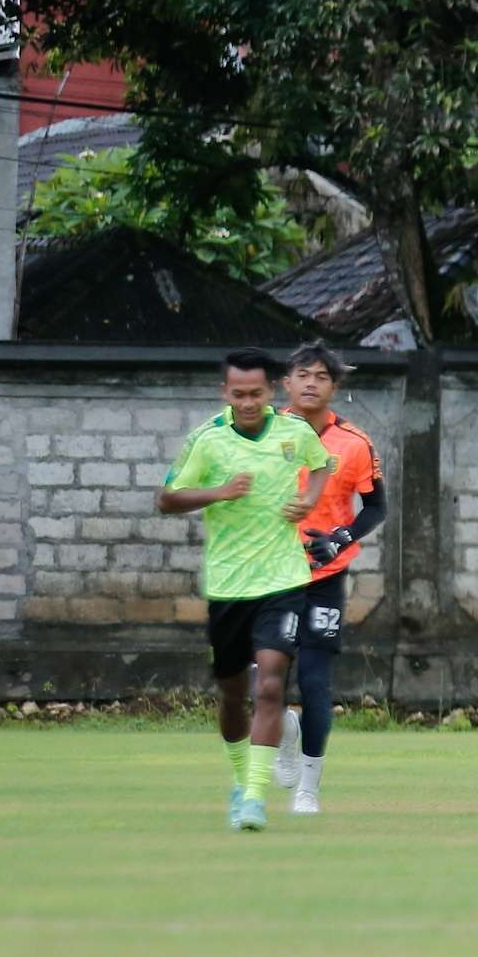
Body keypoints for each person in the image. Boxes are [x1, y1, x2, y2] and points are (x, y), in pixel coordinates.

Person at [154, 348, 330, 830]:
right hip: (230, 586)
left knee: (271, 684)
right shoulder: (206, 441)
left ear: (270, 391)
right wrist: (218, 492)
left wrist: (309, 499)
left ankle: (255, 797)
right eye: (238, 394)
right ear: (224, 393)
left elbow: (321, 465)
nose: (248, 402)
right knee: (232, 695)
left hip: (284, 580)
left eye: (256, 393)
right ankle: (239, 780)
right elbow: (166, 499)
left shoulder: (295, 431)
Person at [271, 344, 382, 815]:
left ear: (335, 387)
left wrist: (340, 538)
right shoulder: (263, 433)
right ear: (286, 383)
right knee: (264, 679)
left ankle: (308, 789)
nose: (312, 382)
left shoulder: (354, 443)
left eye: (322, 376)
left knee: (316, 682)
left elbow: (377, 507)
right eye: (303, 374)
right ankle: (284, 732)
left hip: (324, 578)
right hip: (268, 575)